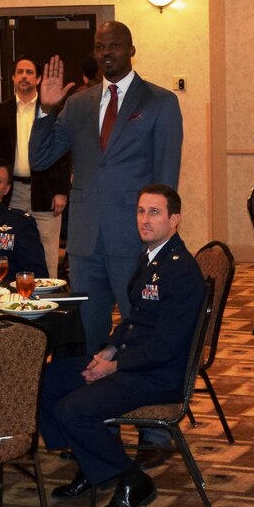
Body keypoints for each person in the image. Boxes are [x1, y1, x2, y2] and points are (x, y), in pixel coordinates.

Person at [40, 185, 206, 507]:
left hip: (158, 374)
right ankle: (92, 465)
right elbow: (134, 320)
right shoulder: (152, 258)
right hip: (132, 359)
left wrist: (113, 367)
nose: (145, 220)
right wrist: (109, 349)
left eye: (155, 212)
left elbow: (166, 346)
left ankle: (132, 480)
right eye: (141, 211)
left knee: (72, 410)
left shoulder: (181, 271)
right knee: (45, 380)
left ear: (175, 220)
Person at [30, 20, 183, 351]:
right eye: (100, 47)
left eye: (114, 45)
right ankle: (89, 393)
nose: (106, 53)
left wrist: (160, 235)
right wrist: (45, 109)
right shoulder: (77, 103)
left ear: (131, 51)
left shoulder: (160, 101)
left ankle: (137, 394)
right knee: (87, 331)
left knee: (139, 324)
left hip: (134, 235)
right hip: (85, 241)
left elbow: (166, 175)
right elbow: (40, 159)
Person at [0, 56, 70, 277]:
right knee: (12, 249)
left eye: (29, 72)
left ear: (38, 78)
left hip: (46, 192)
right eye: (20, 72)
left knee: (47, 251)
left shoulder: (52, 109)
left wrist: (61, 190)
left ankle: (46, 302)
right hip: (11, 193)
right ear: (13, 77)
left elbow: (64, 153)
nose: (24, 76)